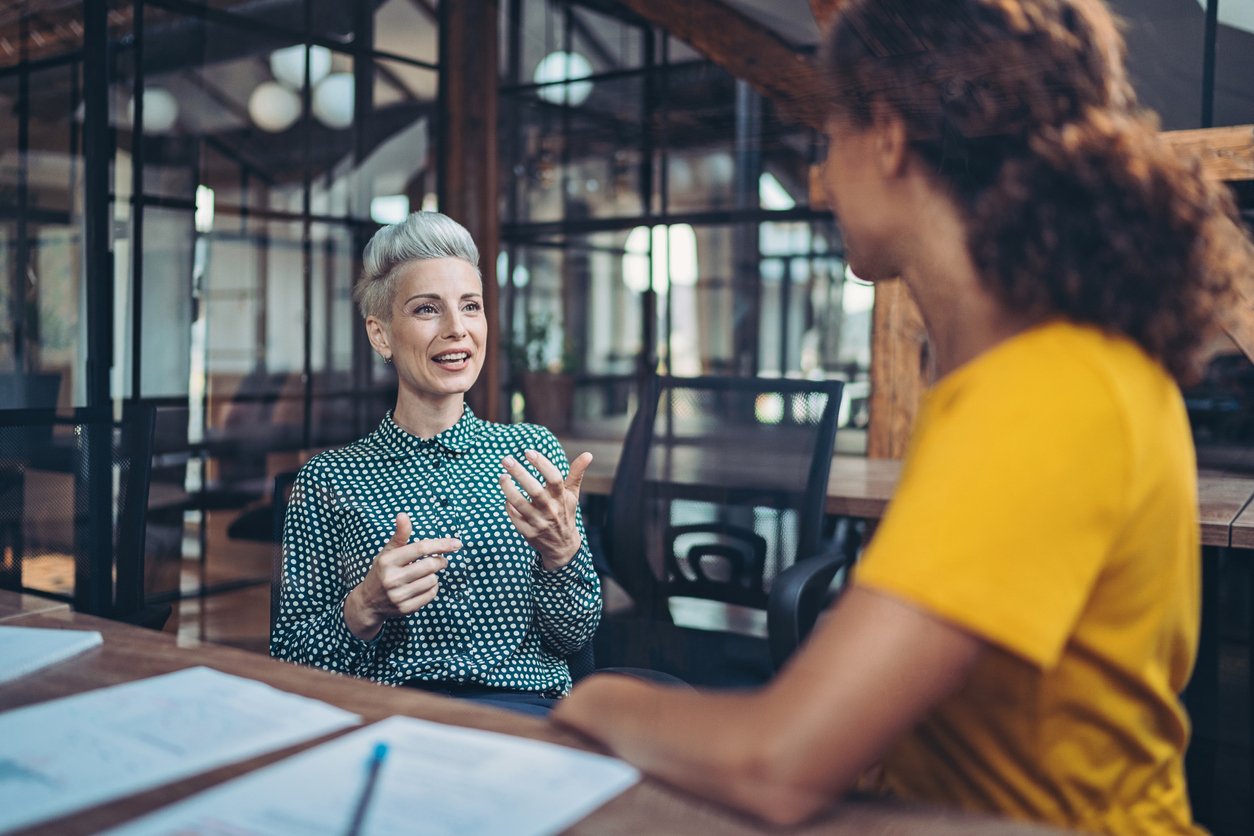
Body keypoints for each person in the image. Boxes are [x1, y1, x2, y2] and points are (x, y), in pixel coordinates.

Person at [552, 0, 1252, 830]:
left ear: (886, 135)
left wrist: (595, 703)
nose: (824, 177)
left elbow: (777, 761)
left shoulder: (1047, 392)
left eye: (830, 135)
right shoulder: (1033, 373)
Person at [271, 211, 601, 716]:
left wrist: (562, 557)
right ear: (381, 335)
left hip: (521, 713)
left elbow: (573, 637)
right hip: (389, 715)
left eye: (471, 306)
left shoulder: (532, 456)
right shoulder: (327, 479)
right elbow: (289, 661)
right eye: (427, 309)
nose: (457, 330)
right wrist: (363, 608)